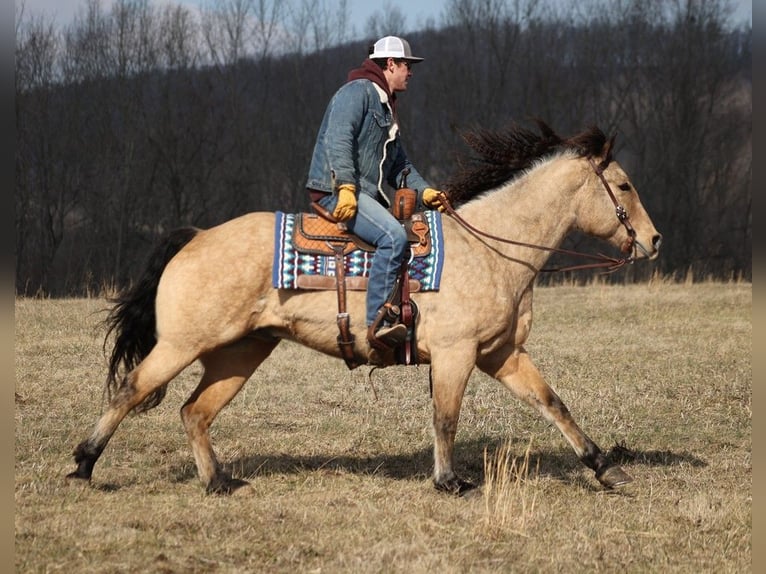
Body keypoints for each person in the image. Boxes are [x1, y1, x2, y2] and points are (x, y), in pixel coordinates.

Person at [306, 36, 444, 348]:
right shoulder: (357, 93)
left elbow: (401, 166)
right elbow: (338, 138)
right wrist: (344, 187)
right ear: (390, 64)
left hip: (359, 193)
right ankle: (378, 323)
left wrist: (426, 193)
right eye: (406, 65)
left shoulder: (384, 105)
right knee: (393, 236)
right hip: (337, 191)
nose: (410, 72)